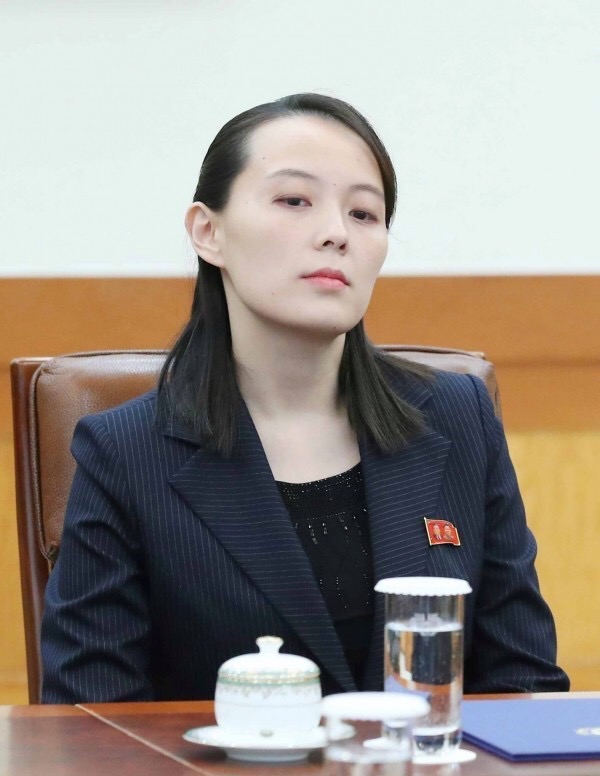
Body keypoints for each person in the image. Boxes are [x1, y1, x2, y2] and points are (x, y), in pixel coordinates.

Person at [41, 93, 569, 702]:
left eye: (364, 213)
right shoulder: (124, 452)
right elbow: (91, 718)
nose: (336, 234)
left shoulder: (457, 417)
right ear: (208, 232)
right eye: (294, 201)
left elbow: (524, 683)